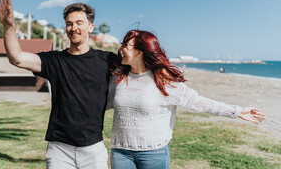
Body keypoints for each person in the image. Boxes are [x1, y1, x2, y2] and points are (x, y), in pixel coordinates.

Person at [0, 0, 115, 169]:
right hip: (60, 150)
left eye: (79, 23)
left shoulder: (107, 60)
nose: (74, 28)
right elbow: (16, 58)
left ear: (90, 27)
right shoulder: (54, 60)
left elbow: (138, 66)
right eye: (69, 23)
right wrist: (8, 25)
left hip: (93, 149)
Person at [107, 30, 266, 169]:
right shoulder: (119, 78)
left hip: (153, 153)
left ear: (140, 52)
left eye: (127, 45)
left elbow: (198, 102)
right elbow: (100, 102)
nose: (121, 49)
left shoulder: (163, 81)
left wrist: (236, 111)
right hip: (120, 152)